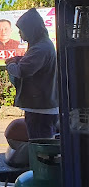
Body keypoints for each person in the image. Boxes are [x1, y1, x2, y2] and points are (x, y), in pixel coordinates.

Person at [5, 8, 58, 140]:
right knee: (41, 147)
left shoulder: (40, 48)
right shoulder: (41, 45)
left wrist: (10, 65)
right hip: (41, 107)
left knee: (40, 150)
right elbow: (28, 64)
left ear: (31, 29)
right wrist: (18, 60)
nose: (19, 33)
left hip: (40, 109)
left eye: (21, 30)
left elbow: (22, 71)